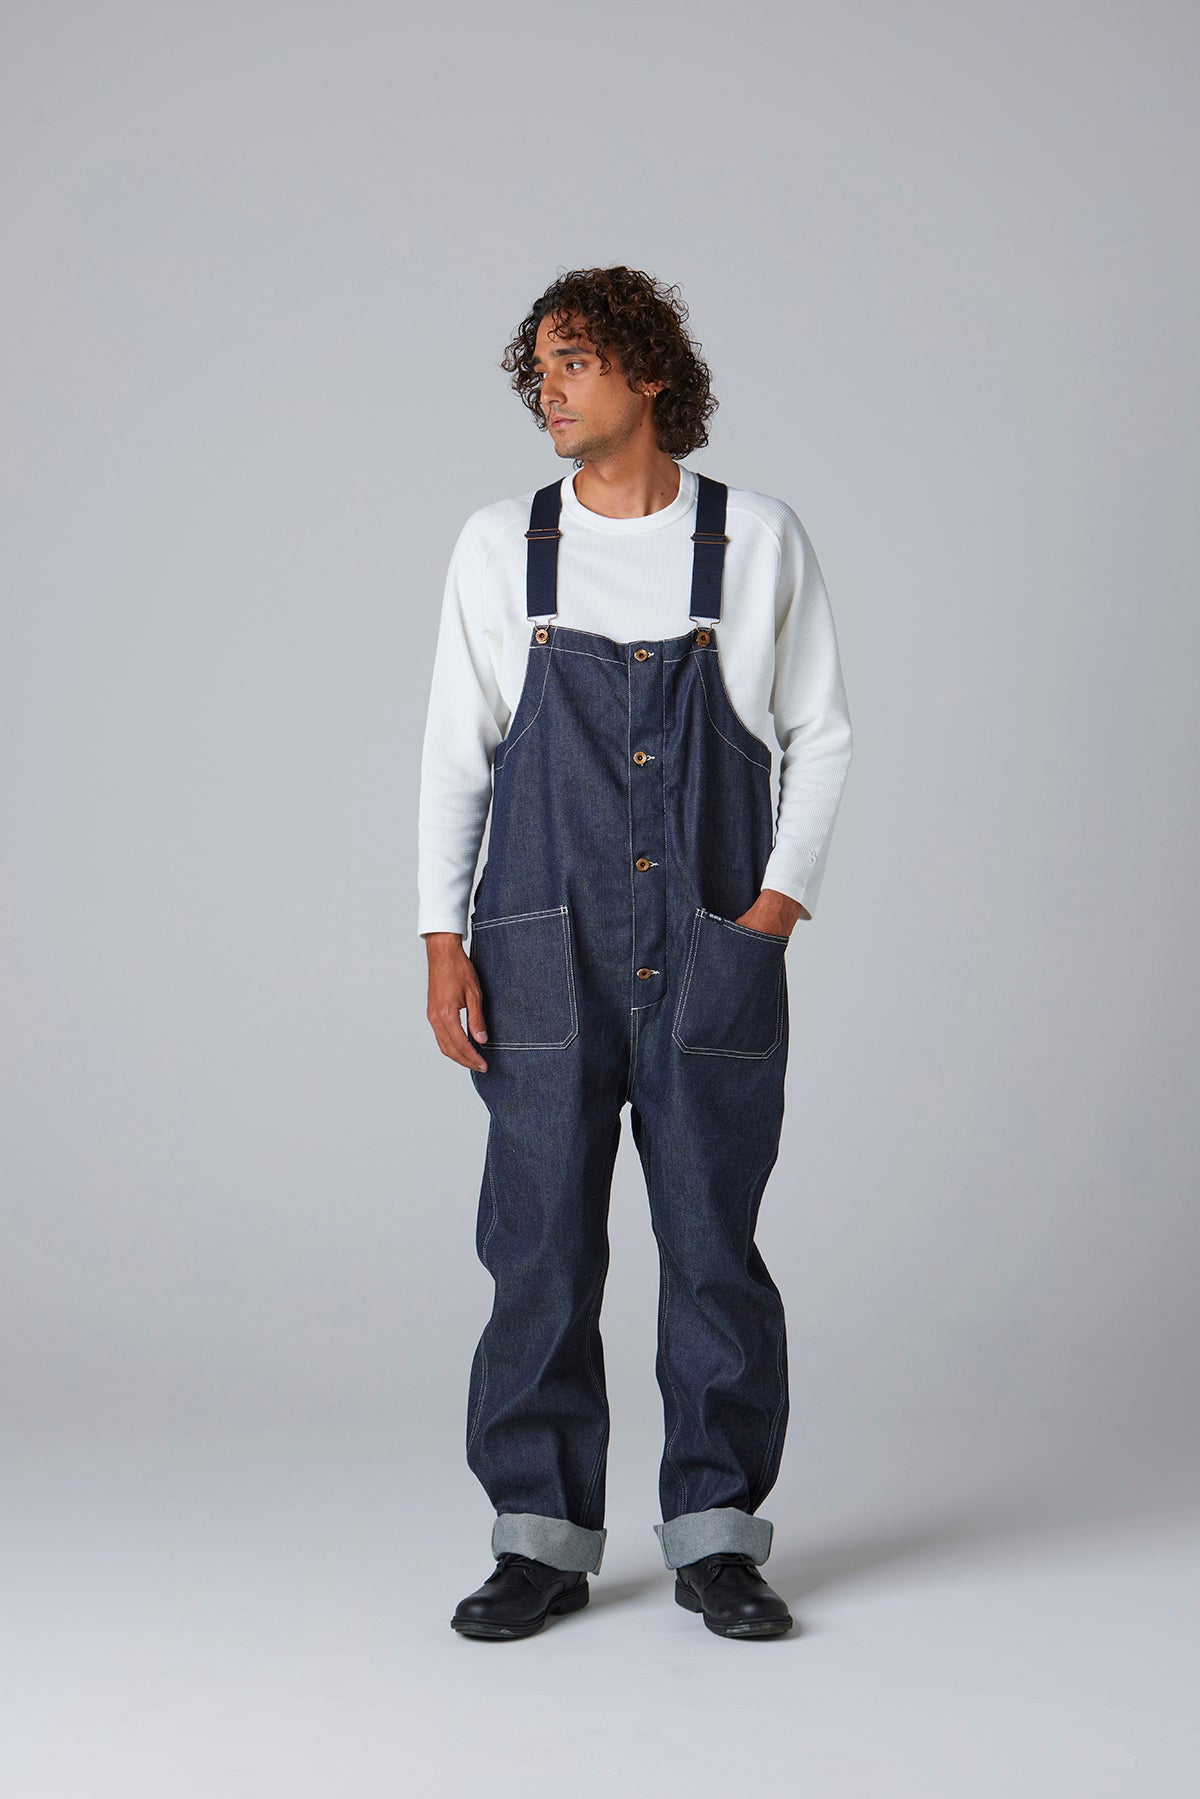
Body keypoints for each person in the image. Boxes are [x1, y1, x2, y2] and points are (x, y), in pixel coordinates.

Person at [417, 266, 853, 1641]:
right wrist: (442, 937)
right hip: (537, 951)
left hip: (715, 945)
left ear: (649, 372)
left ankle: (718, 1539)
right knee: (539, 1243)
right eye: (539, 367)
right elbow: (457, 754)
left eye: (576, 362)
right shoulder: (503, 544)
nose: (548, 390)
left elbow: (821, 734)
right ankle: (539, 1542)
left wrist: (773, 910)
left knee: (713, 1242)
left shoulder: (754, 537)